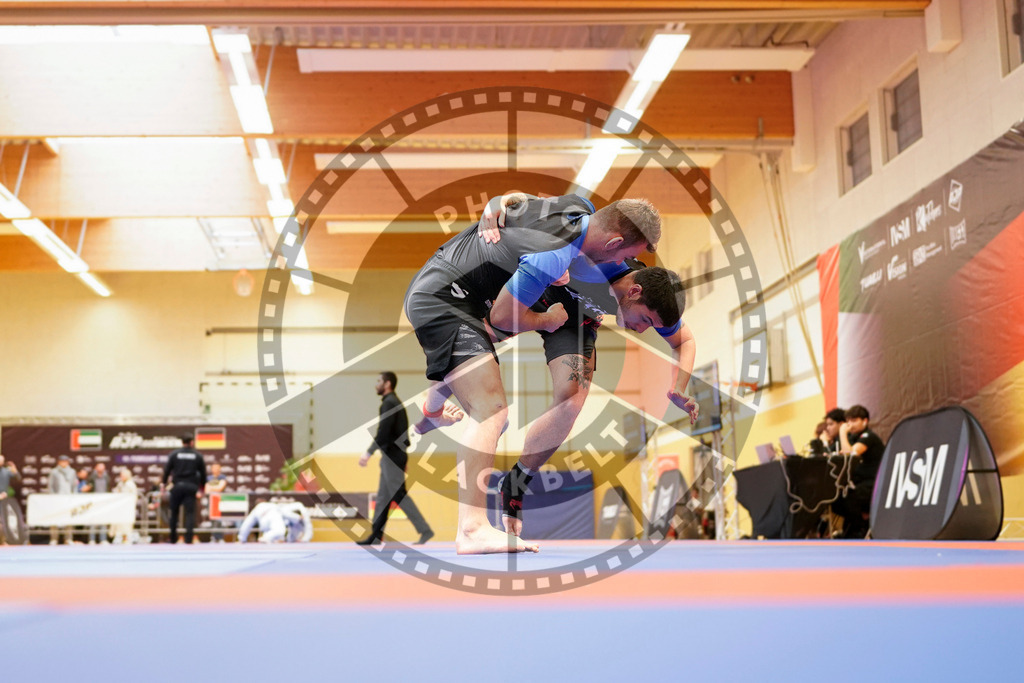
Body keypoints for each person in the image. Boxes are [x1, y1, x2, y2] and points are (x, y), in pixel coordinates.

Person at [430, 193, 698, 538]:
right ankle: (433, 405)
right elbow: (524, 203)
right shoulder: (591, 240)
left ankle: (517, 481)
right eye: (644, 320)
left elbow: (684, 341)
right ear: (634, 292)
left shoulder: (651, 296)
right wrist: (495, 205)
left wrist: (680, 386)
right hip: (537, 285)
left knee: (572, 397)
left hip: (577, 317)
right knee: (476, 336)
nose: (644, 330)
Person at [357, 371, 434, 546]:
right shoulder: (393, 403)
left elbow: (383, 432)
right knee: (384, 497)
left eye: (379, 381)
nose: (376, 384)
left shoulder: (390, 403)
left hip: (392, 456)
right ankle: (376, 536)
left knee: (398, 494)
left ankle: (424, 529)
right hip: (393, 456)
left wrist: (368, 452)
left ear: (387, 384)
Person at [831, 404, 885, 538]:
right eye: (848, 421)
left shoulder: (868, 437)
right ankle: (857, 525)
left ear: (865, 421)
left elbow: (852, 455)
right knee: (836, 499)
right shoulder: (854, 438)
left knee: (850, 498)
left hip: (874, 483)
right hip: (859, 483)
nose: (850, 425)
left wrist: (842, 433)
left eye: (854, 421)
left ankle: (859, 531)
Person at [161, 434, 207, 544]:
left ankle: (172, 538)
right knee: (190, 513)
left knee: (174, 513)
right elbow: (203, 473)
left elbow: (167, 470)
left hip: (177, 486)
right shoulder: (197, 455)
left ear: (182, 442)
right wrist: (202, 488)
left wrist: (163, 483)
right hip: (191, 487)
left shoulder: (174, 454)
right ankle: (189, 539)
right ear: (192, 442)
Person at [47, 454, 77, 544]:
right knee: (55, 518)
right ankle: (54, 538)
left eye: (65, 461)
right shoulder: (54, 472)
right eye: (62, 461)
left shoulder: (72, 471)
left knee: (69, 518)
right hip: (57, 498)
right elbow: (50, 485)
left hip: (68, 498)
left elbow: (74, 485)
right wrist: (53, 497)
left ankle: (68, 538)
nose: (64, 463)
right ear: (59, 462)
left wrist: (74, 496)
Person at [110, 468, 138, 545]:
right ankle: (120, 538)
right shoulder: (120, 484)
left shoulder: (131, 484)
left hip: (128, 508)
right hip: (121, 508)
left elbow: (134, 496)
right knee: (120, 524)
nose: (121, 477)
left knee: (127, 524)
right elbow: (117, 492)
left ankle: (127, 538)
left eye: (122, 475)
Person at [86, 462, 111, 544]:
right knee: (92, 521)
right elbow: (88, 488)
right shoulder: (92, 477)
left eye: (102, 468)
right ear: (96, 468)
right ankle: (92, 539)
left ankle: (103, 539)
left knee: (103, 522)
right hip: (93, 502)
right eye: (99, 467)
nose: (101, 469)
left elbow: (108, 488)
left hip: (103, 502)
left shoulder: (107, 477)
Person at [206, 463, 229, 542]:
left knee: (220, 520)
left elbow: (220, 488)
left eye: (217, 467)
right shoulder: (208, 478)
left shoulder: (222, 477)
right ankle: (213, 537)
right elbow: (206, 490)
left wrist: (211, 488)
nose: (215, 469)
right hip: (211, 501)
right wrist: (215, 488)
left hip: (220, 501)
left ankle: (220, 537)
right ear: (211, 469)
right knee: (213, 520)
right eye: (214, 467)